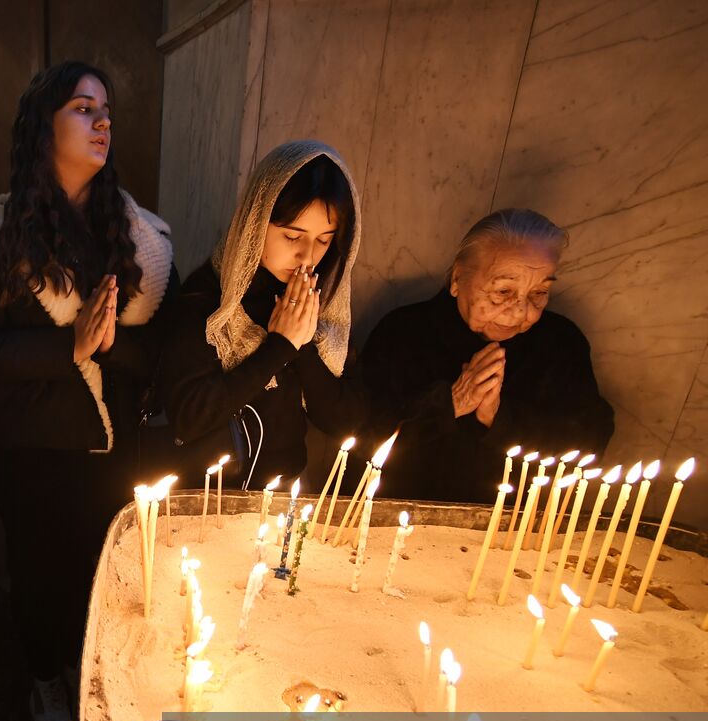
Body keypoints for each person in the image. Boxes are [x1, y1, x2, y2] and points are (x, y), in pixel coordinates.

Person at [0, 61, 175, 721]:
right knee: (42, 576)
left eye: (106, 110)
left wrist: (107, 351)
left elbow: (148, 345)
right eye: (83, 108)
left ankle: (91, 671)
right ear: (43, 127)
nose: (103, 122)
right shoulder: (3, 233)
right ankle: (45, 679)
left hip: (112, 439)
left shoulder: (129, 229)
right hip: (35, 443)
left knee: (103, 570)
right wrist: (69, 348)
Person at [361, 208, 614, 503]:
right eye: (503, 291)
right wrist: (448, 404)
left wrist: (500, 418)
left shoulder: (560, 343)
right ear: (457, 278)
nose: (521, 311)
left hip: (513, 528)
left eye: (538, 293)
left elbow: (590, 440)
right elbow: (361, 441)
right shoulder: (402, 333)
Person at [158, 141, 367, 489]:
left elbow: (344, 421)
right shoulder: (207, 300)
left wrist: (303, 343)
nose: (307, 256)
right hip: (202, 509)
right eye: (292, 236)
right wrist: (280, 346)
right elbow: (189, 418)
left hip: (278, 508)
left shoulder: (319, 303)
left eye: (324, 240)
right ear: (256, 222)